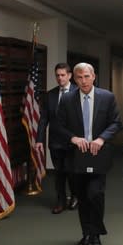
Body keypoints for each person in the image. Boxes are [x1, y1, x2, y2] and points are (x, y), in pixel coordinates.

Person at [57, 62, 121, 245]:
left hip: (98, 154)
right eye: (79, 77)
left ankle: (96, 237)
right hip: (77, 156)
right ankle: (86, 233)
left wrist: (102, 139)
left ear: (94, 77)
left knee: (95, 194)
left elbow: (115, 123)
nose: (83, 81)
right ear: (74, 79)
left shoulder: (107, 97)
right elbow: (59, 126)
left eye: (86, 76)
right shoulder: (67, 99)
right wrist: (73, 138)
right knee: (82, 197)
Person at [36, 63, 78, 214]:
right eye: (57, 75)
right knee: (59, 173)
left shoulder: (78, 92)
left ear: (69, 75)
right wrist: (39, 139)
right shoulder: (50, 94)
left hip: (73, 142)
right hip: (55, 142)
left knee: (72, 172)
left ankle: (74, 196)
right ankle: (60, 201)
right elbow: (43, 119)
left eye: (63, 75)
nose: (60, 78)